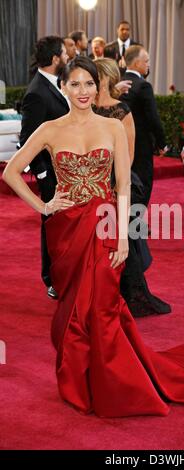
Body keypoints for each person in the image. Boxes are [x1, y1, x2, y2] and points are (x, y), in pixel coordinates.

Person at [3, 57, 184, 418]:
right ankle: (79, 377)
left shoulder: (112, 126)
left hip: (105, 226)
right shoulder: (48, 129)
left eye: (89, 84)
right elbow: (13, 172)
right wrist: (44, 206)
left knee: (103, 306)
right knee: (70, 306)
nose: (82, 91)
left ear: (99, 86)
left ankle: (112, 382)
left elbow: (123, 184)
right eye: (74, 84)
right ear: (63, 87)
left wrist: (124, 235)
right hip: (65, 231)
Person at [94, 58, 171, 317]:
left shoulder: (121, 110)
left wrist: (114, 186)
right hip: (88, 186)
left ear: (104, 77)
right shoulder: (82, 108)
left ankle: (132, 294)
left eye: (93, 75)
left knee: (124, 237)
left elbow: (128, 154)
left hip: (118, 182)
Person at [20, 36, 69, 299]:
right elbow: (28, 140)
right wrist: (43, 175)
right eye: (64, 53)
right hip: (51, 174)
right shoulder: (37, 92)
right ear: (54, 60)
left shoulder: (56, 84)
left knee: (63, 226)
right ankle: (51, 278)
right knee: (51, 225)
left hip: (66, 169)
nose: (67, 57)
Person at [121, 45, 166, 207]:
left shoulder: (117, 83)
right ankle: (135, 226)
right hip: (141, 145)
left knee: (124, 183)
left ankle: (128, 222)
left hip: (119, 143)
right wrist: (162, 143)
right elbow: (153, 118)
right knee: (142, 183)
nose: (148, 65)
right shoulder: (143, 85)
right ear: (137, 63)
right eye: (146, 61)